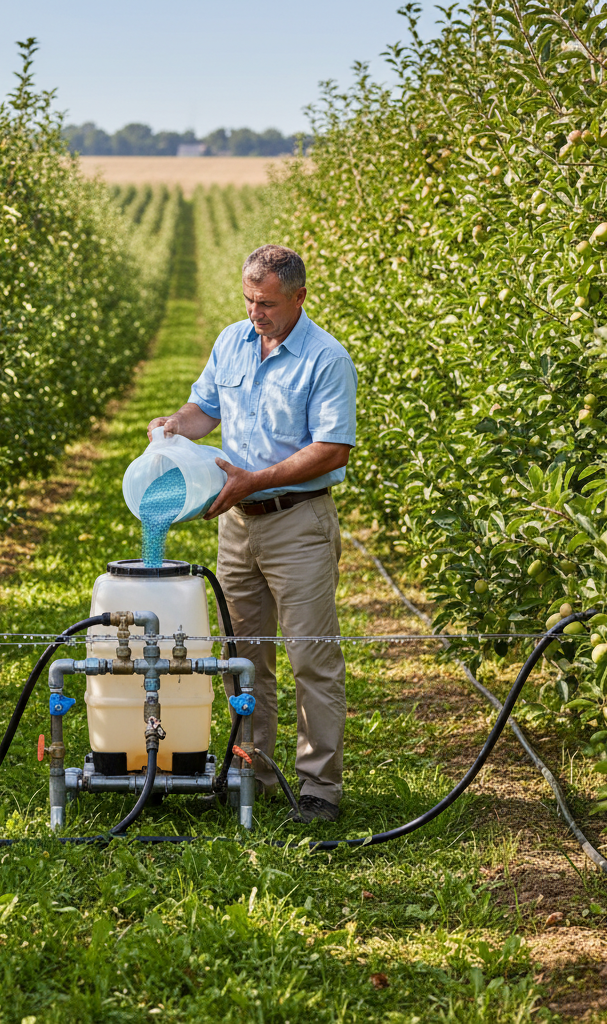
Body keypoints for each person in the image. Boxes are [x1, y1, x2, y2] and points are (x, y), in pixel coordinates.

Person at [147, 244, 357, 823]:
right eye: (247, 299)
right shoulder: (231, 342)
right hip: (238, 525)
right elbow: (203, 409)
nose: (254, 312)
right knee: (244, 656)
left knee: (310, 656)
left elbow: (331, 448)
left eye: (265, 302)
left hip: (297, 522)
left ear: (298, 297)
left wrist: (254, 481)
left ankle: (319, 789)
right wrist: (171, 427)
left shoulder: (325, 359)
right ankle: (251, 771)